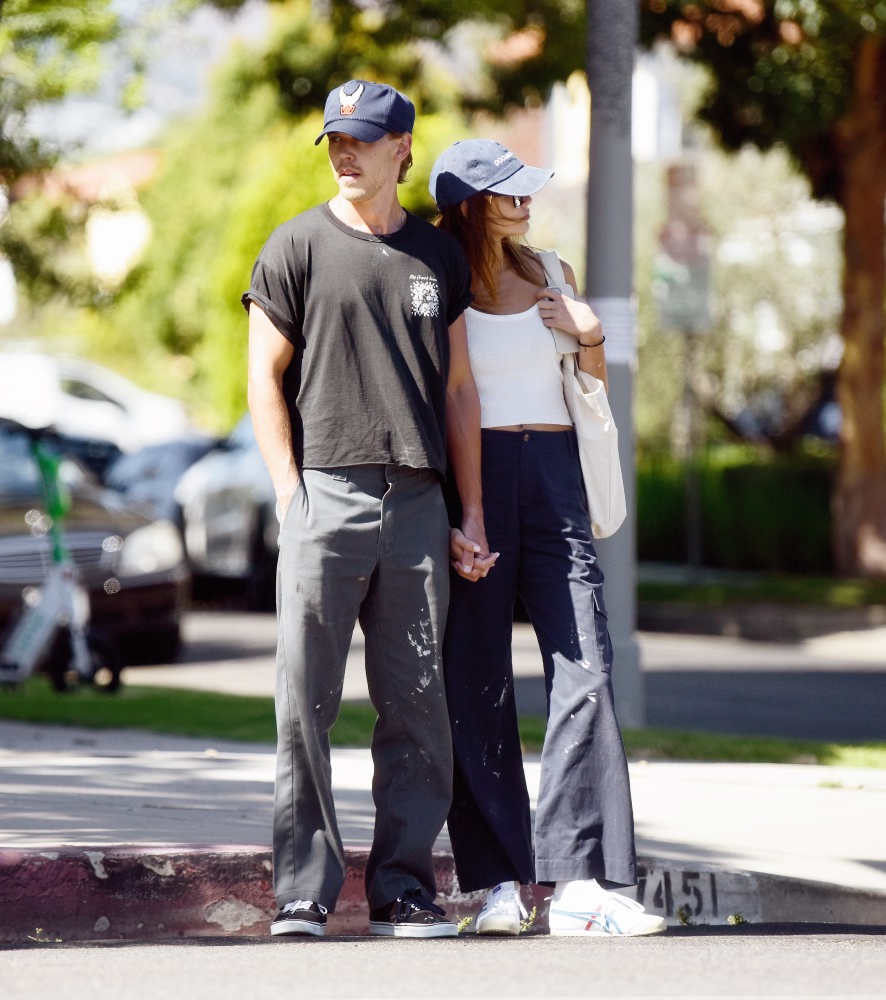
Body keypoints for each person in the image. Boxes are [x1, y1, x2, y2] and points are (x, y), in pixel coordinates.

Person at [243, 82, 495, 940]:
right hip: (327, 495)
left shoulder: (437, 256)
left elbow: (460, 390)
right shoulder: (296, 246)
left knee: (419, 708)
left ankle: (403, 890)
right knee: (304, 704)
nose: (346, 153)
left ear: (403, 149)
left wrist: (472, 513)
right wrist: (290, 492)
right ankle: (303, 891)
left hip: (419, 504)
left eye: (362, 139)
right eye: (336, 141)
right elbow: (262, 376)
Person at [429, 139, 666, 937]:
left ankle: (579, 884)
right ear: (469, 205)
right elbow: (444, 396)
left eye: (528, 189)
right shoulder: (442, 281)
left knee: (587, 666)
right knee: (477, 679)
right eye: (508, 192)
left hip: (556, 473)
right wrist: (464, 512)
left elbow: (586, 388)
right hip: (478, 476)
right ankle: (498, 882)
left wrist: (590, 334)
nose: (525, 202)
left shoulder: (552, 272)